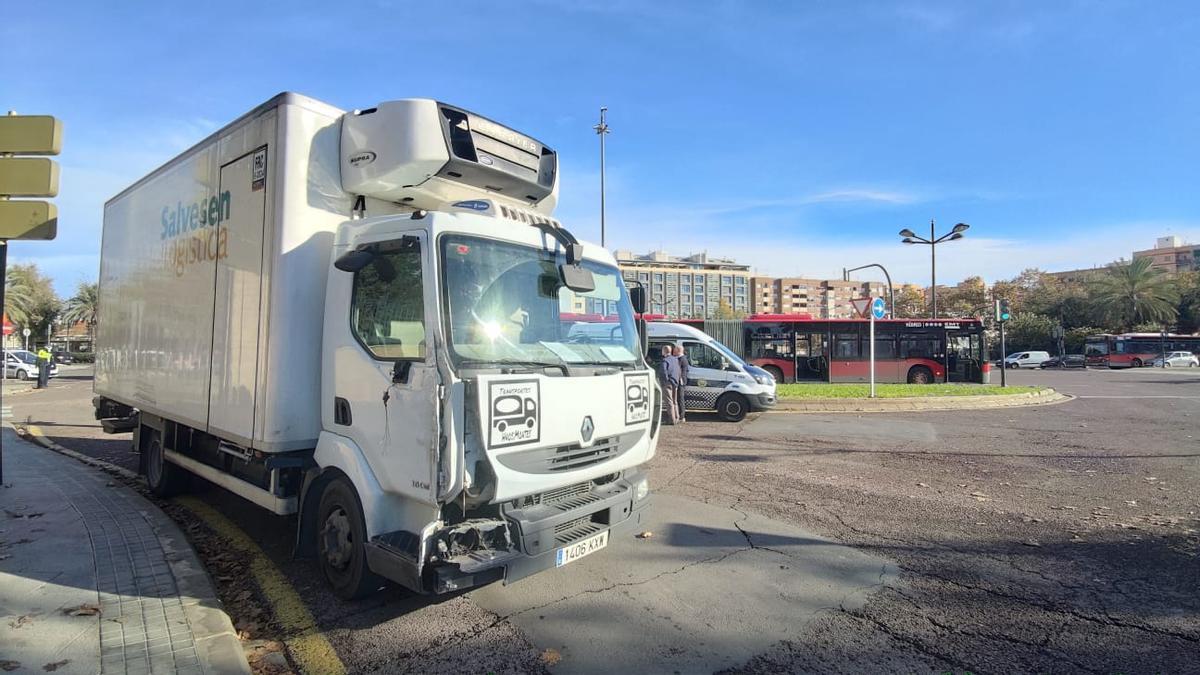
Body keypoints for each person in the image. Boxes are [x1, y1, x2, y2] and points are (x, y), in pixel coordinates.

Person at [657, 345, 681, 425]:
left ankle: (672, 420)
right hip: (675, 382)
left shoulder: (665, 360)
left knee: (669, 402)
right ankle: (677, 417)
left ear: (664, 351)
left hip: (668, 383)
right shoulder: (675, 359)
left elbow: (663, 371)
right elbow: (678, 370)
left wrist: (665, 381)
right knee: (675, 401)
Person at [672, 345, 689, 423]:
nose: (673, 351)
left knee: (680, 398)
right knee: (679, 398)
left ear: (678, 350)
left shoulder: (681, 359)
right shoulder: (682, 358)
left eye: (674, 350)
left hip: (680, 381)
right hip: (681, 380)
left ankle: (681, 416)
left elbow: (678, 371)